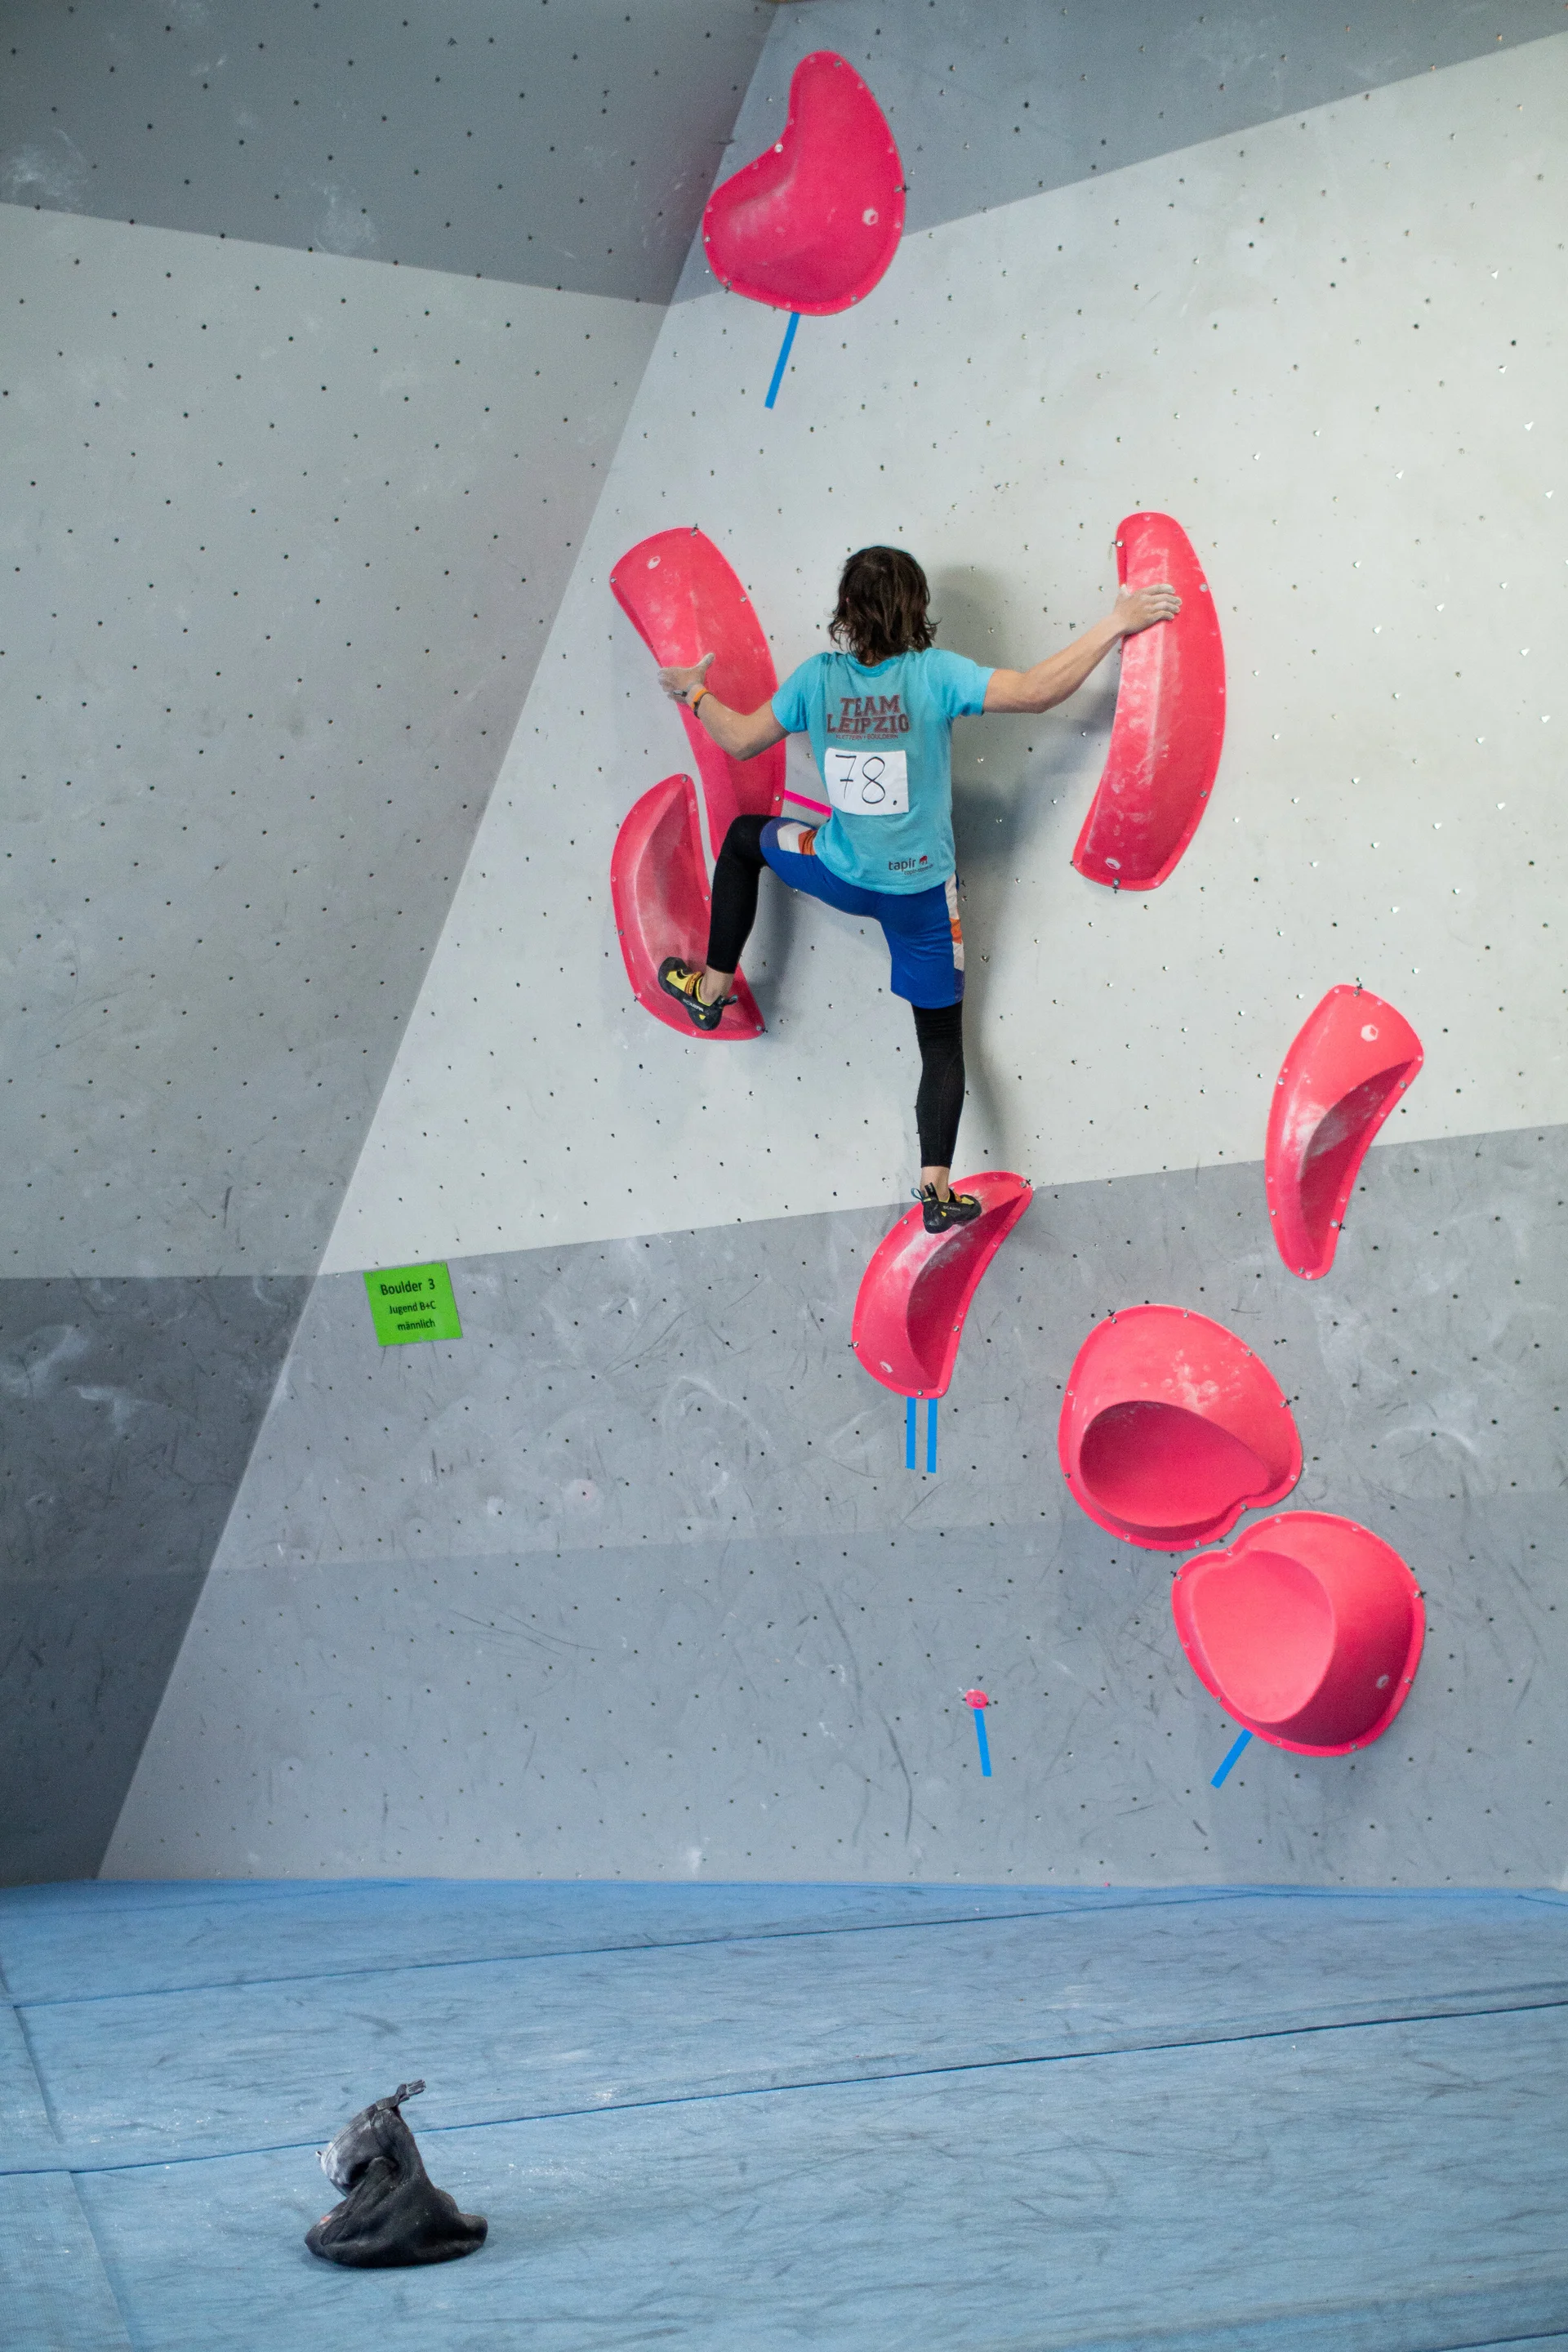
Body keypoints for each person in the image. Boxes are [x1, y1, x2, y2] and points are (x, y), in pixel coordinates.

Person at [655, 546, 1178, 1232]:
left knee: (746, 840)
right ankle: (935, 1191)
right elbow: (1036, 691)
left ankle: (712, 988)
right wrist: (1117, 623)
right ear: (918, 609)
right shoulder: (935, 674)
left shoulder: (817, 678)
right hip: (923, 902)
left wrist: (693, 692)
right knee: (941, 1042)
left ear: (846, 610)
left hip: (839, 872)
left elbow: (741, 739)